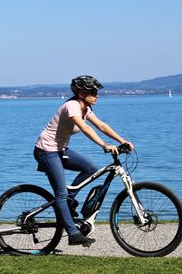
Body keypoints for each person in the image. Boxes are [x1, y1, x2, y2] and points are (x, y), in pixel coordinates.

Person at [33, 75, 134, 246]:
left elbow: (101, 125)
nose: (97, 95)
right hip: (46, 151)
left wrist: (121, 140)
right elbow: (85, 128)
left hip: (61, 150)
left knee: (91, 169)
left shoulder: (85, 108)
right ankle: (73, 233)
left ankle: (68, 202)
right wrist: (104, 144)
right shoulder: (71, 106)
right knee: (61, 194)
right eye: (93, 92)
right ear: (81, 94)